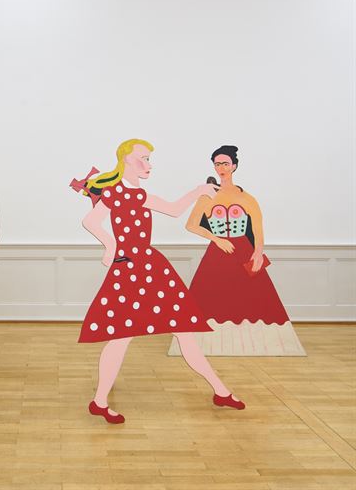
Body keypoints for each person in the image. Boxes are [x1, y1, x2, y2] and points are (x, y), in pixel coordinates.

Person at [73, 138, 246, 424]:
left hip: (150, 266)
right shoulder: (115, 193)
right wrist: (111, 246)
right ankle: (99, 401)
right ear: (126, 159)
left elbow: (175, 210)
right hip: (130, 268)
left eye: (149, 159)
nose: (148, 164)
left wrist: (198, 192)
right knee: (121, 337)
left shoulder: (140, 195)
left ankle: (221, 390)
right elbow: (90, 221)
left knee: (182, 332)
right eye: (143, 158)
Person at [177, 145, 305, 356]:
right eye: (217, 164)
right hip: (217, 253)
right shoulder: (208, 196)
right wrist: (217, 239)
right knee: (211, 297)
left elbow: (257, 231)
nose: (221, 168)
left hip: (244, 251)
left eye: (225, 163)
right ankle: (207, 344)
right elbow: (191, 225)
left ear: (234, 166)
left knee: (253, 299)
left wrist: (258, 252)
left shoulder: (247, 198)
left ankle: (257, 344)